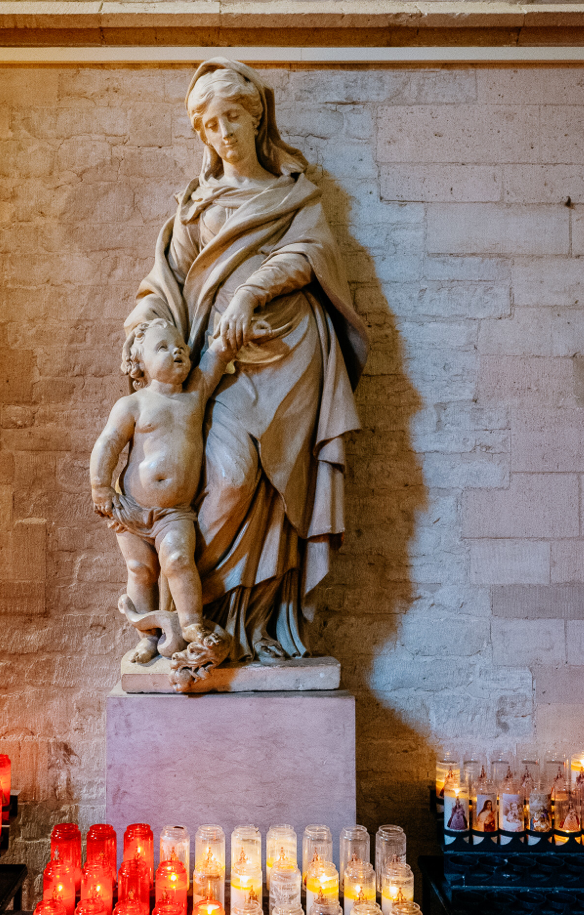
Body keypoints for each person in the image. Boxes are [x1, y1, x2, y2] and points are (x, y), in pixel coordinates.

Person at [123, 58, 367, 662]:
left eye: (232, 117)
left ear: (256, 120)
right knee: (223, 480)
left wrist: (254, 289)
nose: (223, 132)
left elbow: (312, 255)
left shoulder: (292, 195)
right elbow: (164, 290)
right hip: (212, 364)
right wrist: (149, 335)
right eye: (209, 124)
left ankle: (258, 629)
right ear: (202, 135)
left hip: (286, 354)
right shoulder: (193, 210)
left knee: (268, 489)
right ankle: (196, 623)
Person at [91, 317, 236, 663]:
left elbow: (216, 353)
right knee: (141, 572)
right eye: (164, 347)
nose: (177, 352)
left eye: (181, 348)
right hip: (130, 508)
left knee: (178, 560)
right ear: (140, 363)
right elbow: (109, 443)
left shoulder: (195, 392)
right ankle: (146, 637)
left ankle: (191, 626)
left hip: (174, 513)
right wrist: (100, 487)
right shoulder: (134, 404)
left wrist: (234, 327)